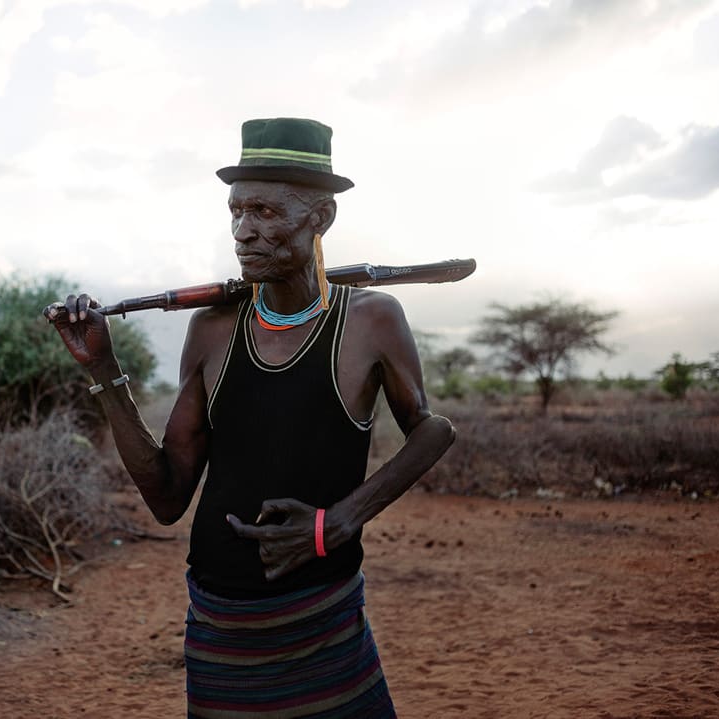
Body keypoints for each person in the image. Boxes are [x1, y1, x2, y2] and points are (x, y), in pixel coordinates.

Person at [49, 117, 455, 718]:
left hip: (323, 620)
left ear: (320, 218)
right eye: (237, 212)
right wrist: (103, 370)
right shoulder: (211, 329)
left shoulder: (370, 319)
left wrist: (338, 522)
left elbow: (433, 429)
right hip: (219, 627)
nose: (244, 231)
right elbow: (166, 497)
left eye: (266, 212)